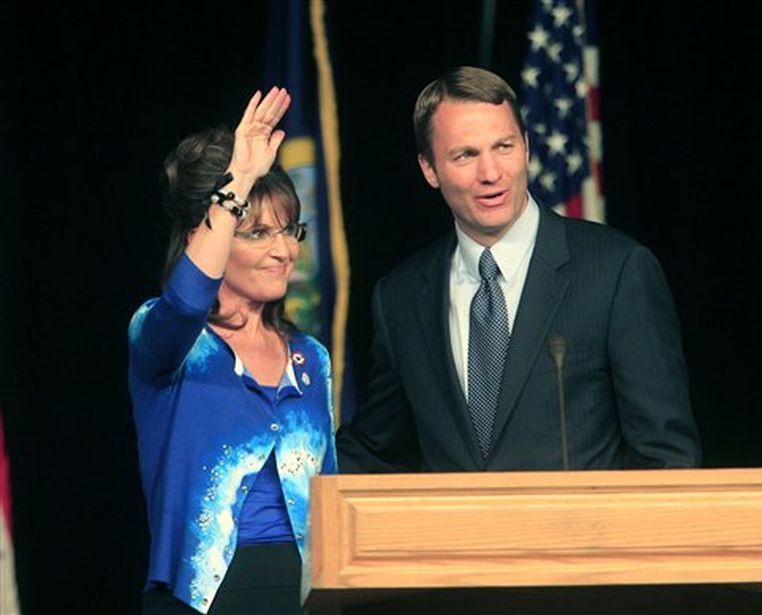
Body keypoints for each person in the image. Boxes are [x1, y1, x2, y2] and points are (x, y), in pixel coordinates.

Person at [337, 66, 701, 473]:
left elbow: (667, 459)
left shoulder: (616, 272)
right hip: (456, 537)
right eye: (466, 155)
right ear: (429, 169)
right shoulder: (401, 297)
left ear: (527, 147)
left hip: (580, 536)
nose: (491, 174)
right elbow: (373, 451)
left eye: (504, 147)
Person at [128, 86, 337, 615]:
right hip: (200, 599)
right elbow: (186, 300)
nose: (285, 250)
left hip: (308, 594)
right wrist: (238, 179)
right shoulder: (165, 338)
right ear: (211, 234)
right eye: (259, 232)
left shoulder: (310, 357)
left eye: (290, 231)